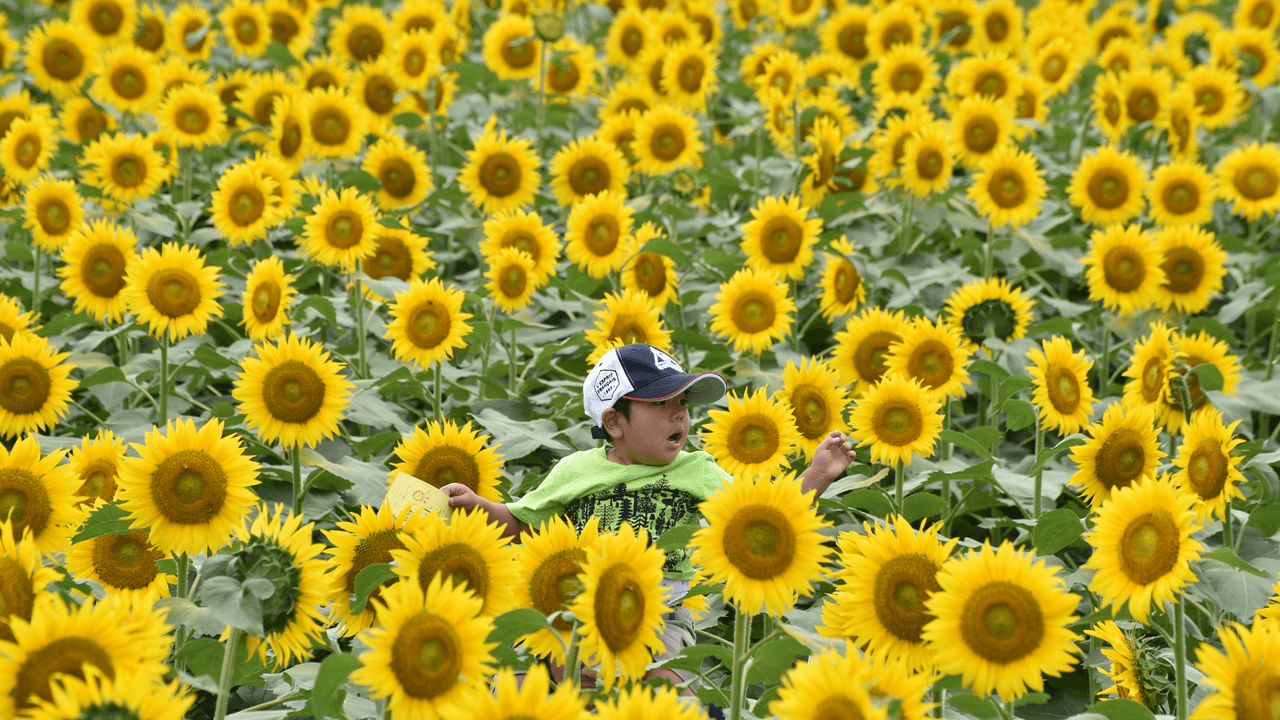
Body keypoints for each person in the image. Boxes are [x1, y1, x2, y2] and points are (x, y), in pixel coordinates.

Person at [440, 342, 857, 689]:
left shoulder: (697, 469)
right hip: (578, 609)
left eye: (682, 402)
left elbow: (764, 516)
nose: (680, 414)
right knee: (542, 679)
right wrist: (478, 506)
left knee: (663, 688)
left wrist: (818, 475)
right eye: (661, 403)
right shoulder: (576, 472)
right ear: (614, 423)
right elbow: (524, 524)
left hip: (664, 612)